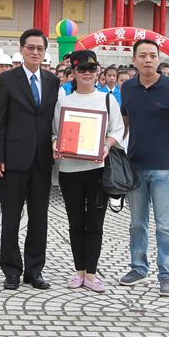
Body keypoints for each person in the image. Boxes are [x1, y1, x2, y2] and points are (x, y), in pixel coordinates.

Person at [119, 39, 169, 297]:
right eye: (143, 56)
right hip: (136, 165)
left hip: (165, 166)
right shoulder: (128, 88)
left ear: (159, 58)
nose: (148, 60)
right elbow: (125, 123)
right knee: (137, 223)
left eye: (152, 55)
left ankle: (167, 274)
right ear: (134, 60)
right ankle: (138, 268)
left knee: (165, 225)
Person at [0, 29, 59, 291]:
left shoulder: (52, 82)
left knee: (39, 218)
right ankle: (11, 270)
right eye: (30, 48)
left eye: (39, 48)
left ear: (44, 52)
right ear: (21, 50)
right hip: (13, 160)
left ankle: (34, 270)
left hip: (42, 160)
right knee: (11, 217)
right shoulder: (7, 80)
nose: (34, 52)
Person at [52, 50, 123, 292]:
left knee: (95, 223)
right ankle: (78, 271)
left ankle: (91, 274)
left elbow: (117, 131)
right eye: (81, 69)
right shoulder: (64, 103)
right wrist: (55, 143)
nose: (87, 73)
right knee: (75, 223)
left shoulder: (107, 100)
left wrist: (106, 145)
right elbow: (55, 133)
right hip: (70, 171)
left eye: (91, 69)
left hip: (96, 170)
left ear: (98, 72)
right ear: (73, 73)